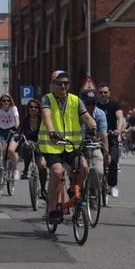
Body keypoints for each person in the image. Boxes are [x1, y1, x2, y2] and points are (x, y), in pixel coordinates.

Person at [39, 70, 98, 224]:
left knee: (83, 167)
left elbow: (86, 116)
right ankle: (52, 208)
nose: (63, 86)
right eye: (59, 83)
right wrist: (52, 131)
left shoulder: (75, 100)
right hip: (53, 146)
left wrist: (94, 128)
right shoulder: (47, 99)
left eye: (66, 83)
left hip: (71, 146)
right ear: (52, 84)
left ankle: (73, 189)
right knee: (57, 172)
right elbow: (46, 116)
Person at [13, 98, 48, 199]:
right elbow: (19, 130)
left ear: (39, 109)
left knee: (42, 165)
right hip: (28, 143)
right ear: (28, 109)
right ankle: (25, 170)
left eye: (35, 107)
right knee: (27, 146)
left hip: (40, 143)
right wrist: (17, 134)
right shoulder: (25, 120)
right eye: (31, 107)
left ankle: (43, 190)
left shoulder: (43, 119)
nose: (33, 109)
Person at [96, 83, 125, 198]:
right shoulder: (95, 106)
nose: (103, 95)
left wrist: (118, 130)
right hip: (98, 137)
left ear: (109, 93)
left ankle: (112, 185)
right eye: (101, 93)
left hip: (111, 136)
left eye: (105, 92)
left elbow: (120, 117)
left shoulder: (114, 105)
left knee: (112, 160)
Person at [79, 91, 110, 186]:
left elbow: (103, 135)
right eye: (88, 103)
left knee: (99, 172)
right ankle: (76, 191)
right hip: (79, 147)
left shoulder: (100, 114)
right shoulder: (76, 114)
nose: (90, 106)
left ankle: (94, 193)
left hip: (94, 147)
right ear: (83, 103)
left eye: (93, 103)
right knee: (74, 171)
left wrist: (106, 153)